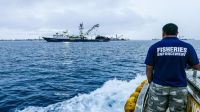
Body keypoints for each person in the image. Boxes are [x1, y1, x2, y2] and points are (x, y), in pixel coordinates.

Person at [144, 23, 200, 112]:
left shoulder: (154, 47)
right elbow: (197, 66)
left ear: (163, 33)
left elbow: (149, 68)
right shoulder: (187, 47)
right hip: (179, 88)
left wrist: (151, 82)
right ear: (177, 33)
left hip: (159, 86)